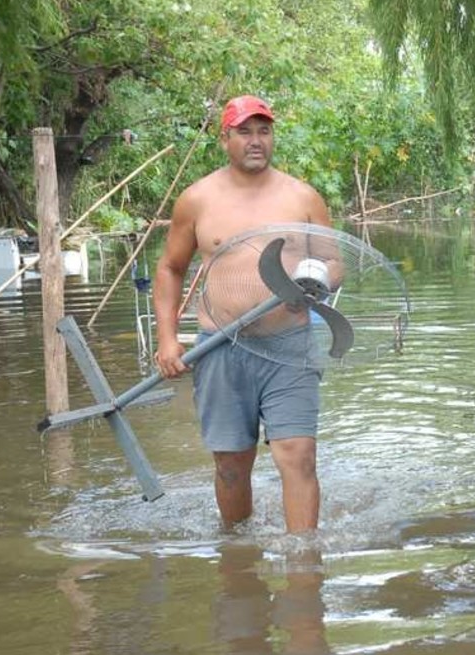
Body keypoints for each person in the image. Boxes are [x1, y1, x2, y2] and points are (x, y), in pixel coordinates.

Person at [154, 95, 331, 533]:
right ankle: (237, 554)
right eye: (244, 131)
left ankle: (304, 563)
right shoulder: (197, 199)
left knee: (297, 453)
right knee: (232, 464)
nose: (256, 141)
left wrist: (315, 284)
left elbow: (335, 262)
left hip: (289, 345)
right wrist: (167, 339)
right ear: (225, 138)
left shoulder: (303, 197)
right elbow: (170, 268)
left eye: (264, 130)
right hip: (220, 348)